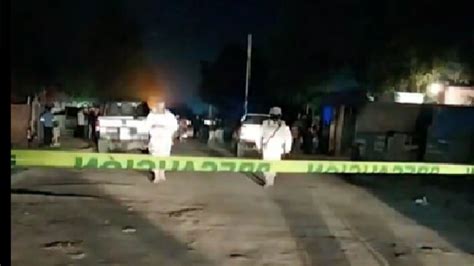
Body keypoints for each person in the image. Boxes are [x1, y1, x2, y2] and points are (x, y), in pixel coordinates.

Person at [257, 107, 293, 187]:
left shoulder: (267, 124)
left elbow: (258, 136)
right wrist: (287, 149)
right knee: (270, 165)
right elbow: (288, 139)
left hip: (271, 148)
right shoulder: (282, 125)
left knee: (269, 165)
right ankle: (269, 180)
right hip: (273, 148)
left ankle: (269, 180)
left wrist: (259, 147)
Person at [145, 98, 178, 183]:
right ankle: (156, 176)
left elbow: (174, 128)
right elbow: (147, 127)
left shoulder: (170, 115)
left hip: (165, 140)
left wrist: (172, 139)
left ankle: (162, 174)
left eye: (162, 103)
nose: (160, 105)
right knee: (154, 156)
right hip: (155, 140)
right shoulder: (152, 115)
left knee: (164, 156)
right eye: (158, 103)